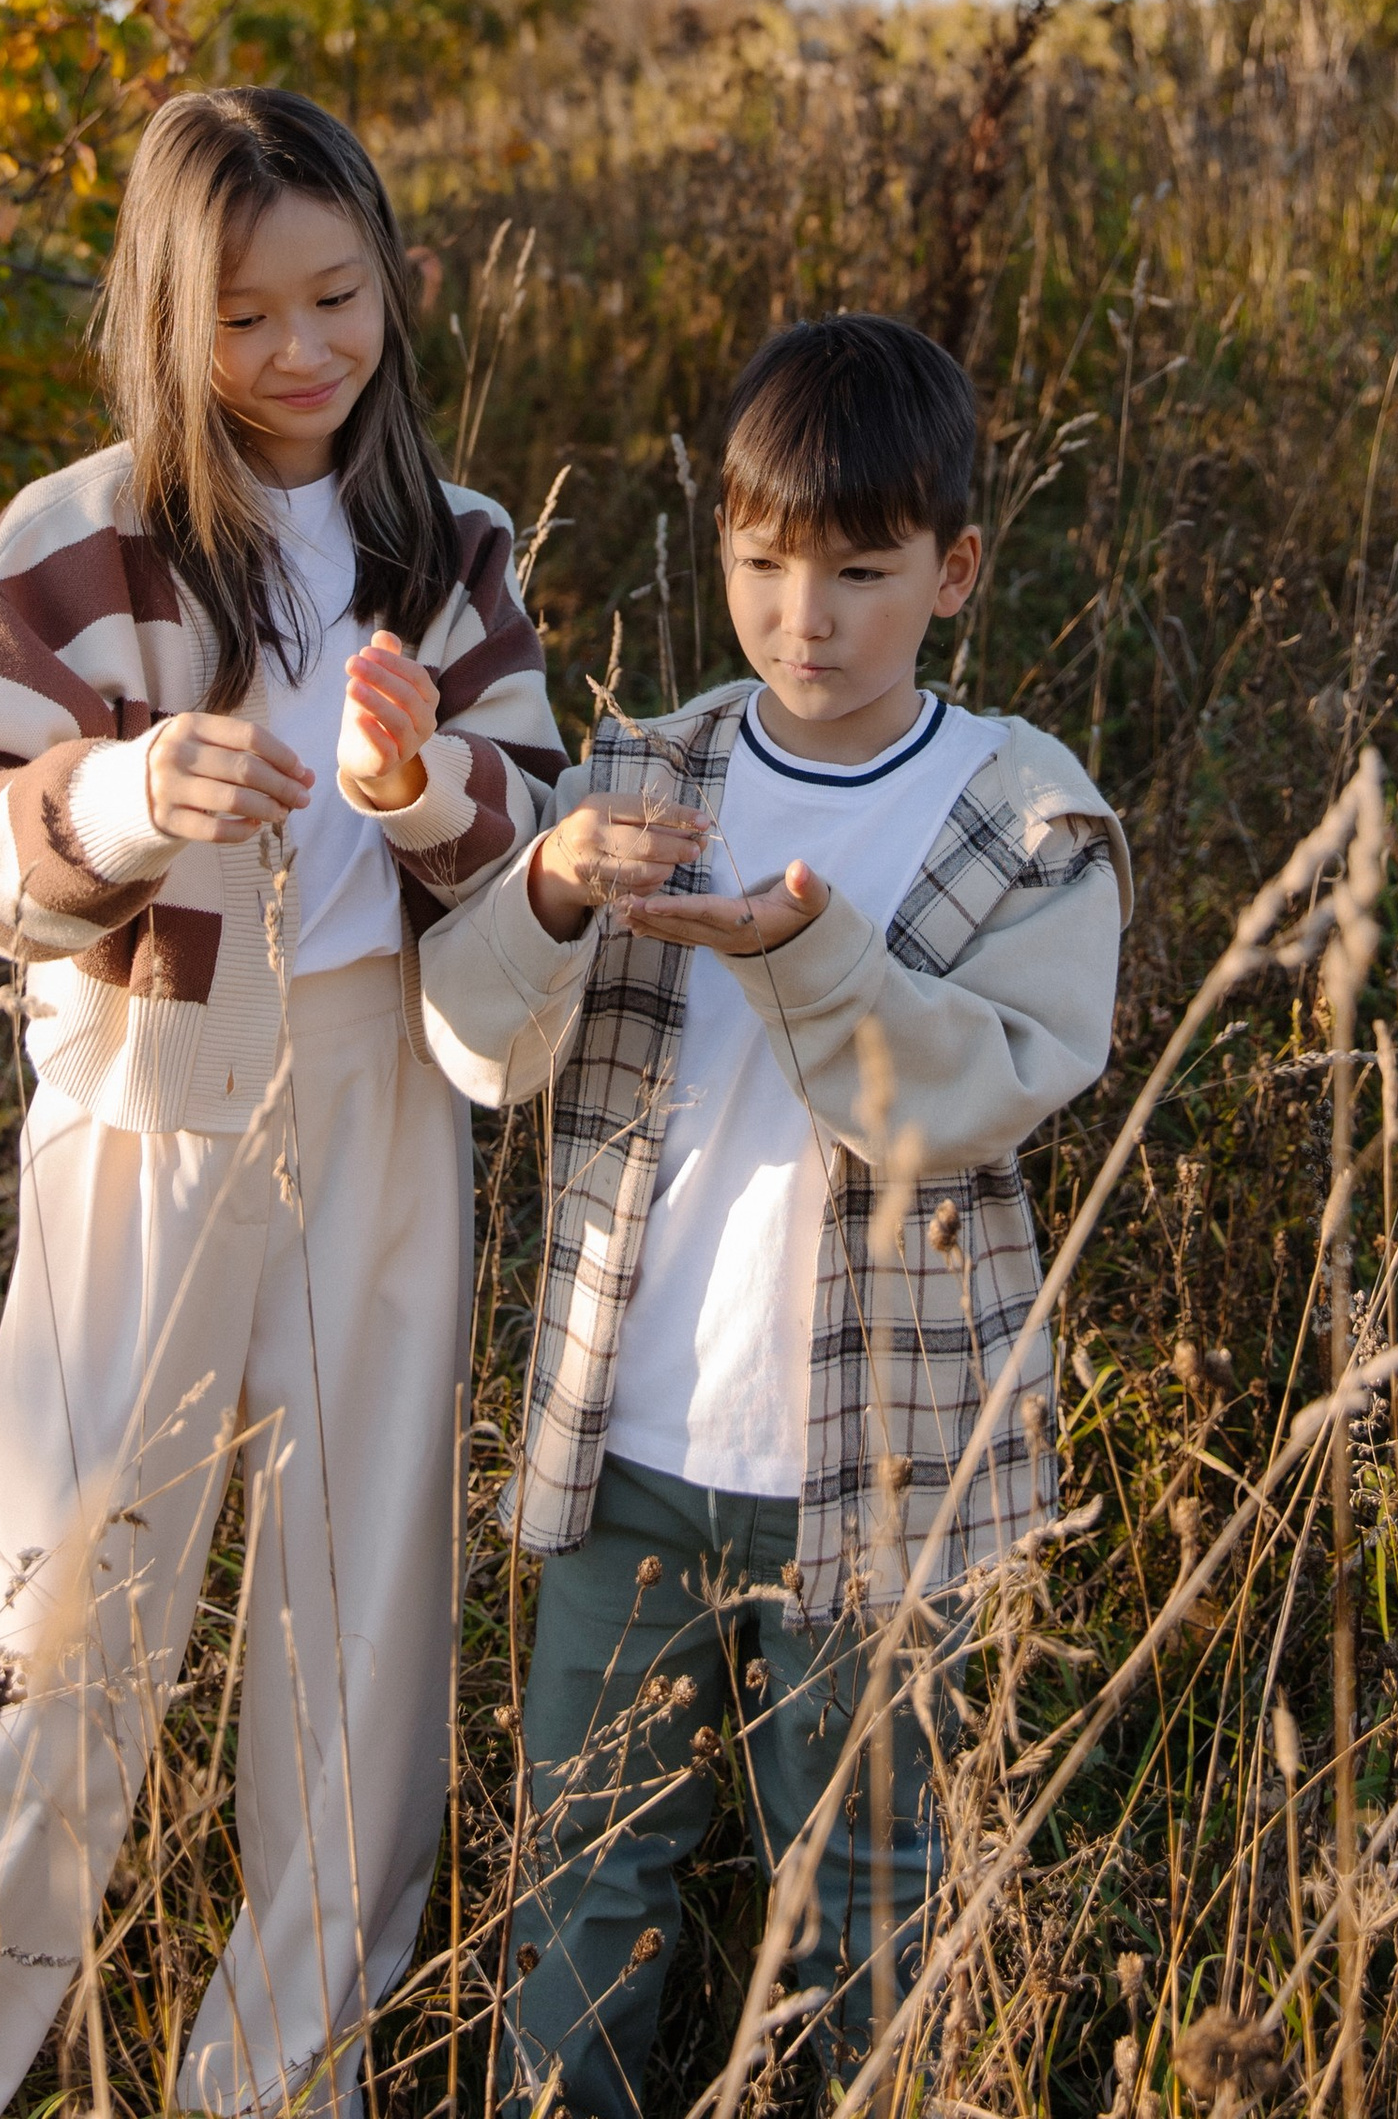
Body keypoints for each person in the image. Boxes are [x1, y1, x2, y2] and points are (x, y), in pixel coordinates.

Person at [0, 89, 565, 2119]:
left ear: (391, 282)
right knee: (49, 1632)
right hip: (147, 1110)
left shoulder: (448, 548)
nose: (298, 354)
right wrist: (120, 797)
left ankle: (285, 2079)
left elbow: (532, 825)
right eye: (244, 317)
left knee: (355, 1637)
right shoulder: (81, 530)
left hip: (382, 1098)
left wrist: (423, 789)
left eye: (335, 300)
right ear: (162, 316)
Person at [418, 312, 1130, 2119]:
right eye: (759, 566)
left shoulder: (1025, 813)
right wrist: (556, 895)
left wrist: (815, 954)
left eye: (860, 573)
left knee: (872, 1899)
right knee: (588, 1875)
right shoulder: (648, 775)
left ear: (953, 571)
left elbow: (978, 1092)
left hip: (885, 1474)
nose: (803, 618)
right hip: (630, 1452)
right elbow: (473, 1041)